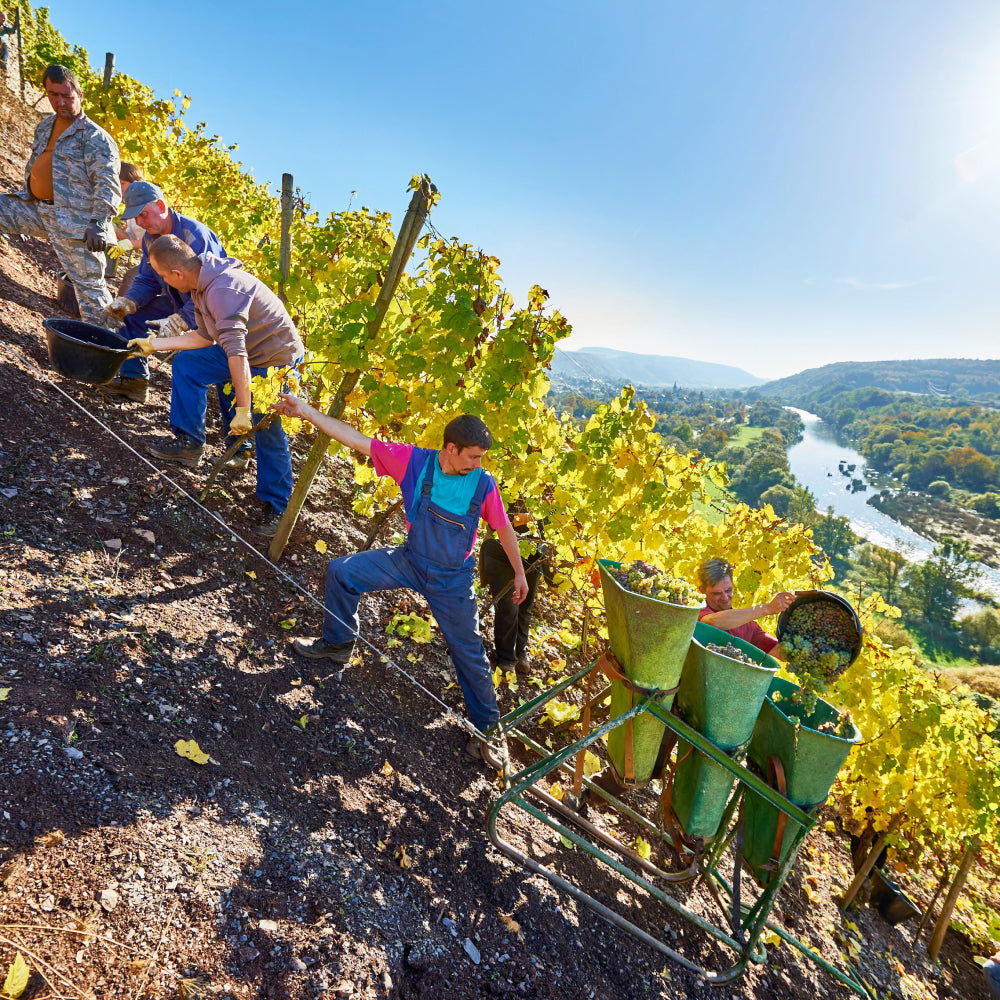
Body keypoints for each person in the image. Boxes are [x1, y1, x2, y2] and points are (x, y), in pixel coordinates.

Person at [270, 400, 527, 768]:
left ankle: (487, 730)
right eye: (473, 456)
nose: (478, 463)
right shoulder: (415, 462)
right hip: (409, 561)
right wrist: (306, 412)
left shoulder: (484, 484)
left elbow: (503, 528)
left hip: (452, 579)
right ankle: (338, 643)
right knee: (342, 572)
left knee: (468, 650)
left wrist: (518, 572)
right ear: (451, 449)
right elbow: (356, 439)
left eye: (482, 457)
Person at [126, 235, 302, 536]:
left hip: (275, 360)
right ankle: (190, 443)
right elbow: (203, 338)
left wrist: (244, 409)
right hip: (247, 352)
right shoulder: (200, 286)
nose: (163, 281)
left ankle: (279, 507)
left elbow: (237, 355)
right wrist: (154, 345)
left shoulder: (222, 290)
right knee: (188, 364)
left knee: (266, 426)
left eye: (163, 275)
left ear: (177, 274)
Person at [0, 63, 120, 326]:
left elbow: (108, 185)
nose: (60, 101)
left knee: (91, 291)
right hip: (37, 209)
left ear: (80, 94)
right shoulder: (45, 126)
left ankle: (110, 353)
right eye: (54, 95)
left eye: (67, 95)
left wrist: (99, 222)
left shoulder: (96, 138)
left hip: (77, 224)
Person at [99, 180, 225, 403]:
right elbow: (148, 280)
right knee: (131, 316)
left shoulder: (195, 236)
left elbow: (208, 290)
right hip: (179, 301)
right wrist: (128, 302)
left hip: (212, 310)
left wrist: (181, 320)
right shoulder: (150, 238)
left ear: (161, 206)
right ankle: (133, 382)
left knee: (191, 360)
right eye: (135, 217)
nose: (139, 222)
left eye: (143, 214)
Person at [479, 500, 543, 675]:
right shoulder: (509, 479)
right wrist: (538, 517)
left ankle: (519, 652)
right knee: (509, 605)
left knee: (526, 605)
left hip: (534, 552)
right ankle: (506, 658)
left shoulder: (551, 484)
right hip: (501, 550)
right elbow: (501, 516)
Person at [696, 557, 794, 655]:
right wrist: (768, 608)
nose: (725, 598)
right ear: (702, 591)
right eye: (717, 593)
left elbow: (782, 653)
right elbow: (713, 622)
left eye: (728, 590)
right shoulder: (695, 609)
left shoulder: (748, 626)